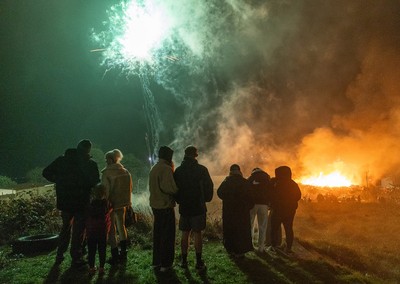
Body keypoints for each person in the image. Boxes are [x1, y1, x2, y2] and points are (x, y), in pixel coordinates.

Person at [42, 139, 100, 267]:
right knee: (78, 231)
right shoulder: (90, 164)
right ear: (88, 150)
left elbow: (46, 172)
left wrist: (58, 180)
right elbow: (96, 182)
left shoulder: (62, 160)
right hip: (81, 202)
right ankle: (76, 257)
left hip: (65, 201)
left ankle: (60, 254)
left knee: (65, 228)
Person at [173, 146, 214, 270]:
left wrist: (179, 200)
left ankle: (184, 261)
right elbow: (209, 186)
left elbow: (175, 189)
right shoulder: (202, 170)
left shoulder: (179, 171)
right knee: (197, 233)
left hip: (184, 207)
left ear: (185, 155)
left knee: (184, 233)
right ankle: (198, 262)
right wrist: (205, 199)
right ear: (195, 156)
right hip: (198, 207)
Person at [148, 146, 179, 272]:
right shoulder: (166, 169)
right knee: (167, 236)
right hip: (165, 206)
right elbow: (171, 188)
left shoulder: (154, 168)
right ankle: (166, 264)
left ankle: (156, 262)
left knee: (158, 235)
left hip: (155, 205)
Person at [101, 149, 132, 264]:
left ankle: (114, 254)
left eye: (106, 159)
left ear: (110, 159)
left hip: (111, 205)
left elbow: (105, 191)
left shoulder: (106, 173)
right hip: (122, 203)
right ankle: (124, 251)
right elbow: (130, 188)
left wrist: (104, 203)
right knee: (121, 226)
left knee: (111, 230)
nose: (105, 161)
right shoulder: (125, 171)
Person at [217, 164, 254, 257]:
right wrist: (248, 207)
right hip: (242, 211)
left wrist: (227, 199)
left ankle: (231, 249)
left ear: (230, 171)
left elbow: (219, 192)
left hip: (229, 211)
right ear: (239, 171)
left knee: (230, 229)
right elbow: (251, 197)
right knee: (242, 230)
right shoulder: (245, 182)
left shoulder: (227, 181)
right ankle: (241, 250)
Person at [269, 166, 301, 253]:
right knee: (288, 228)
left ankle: (273, 246)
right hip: (290, 211)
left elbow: (271, 194)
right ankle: (288, 248)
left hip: (277, 210)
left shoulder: (276, 183)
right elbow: (298, 196)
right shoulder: (293, 184)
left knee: (274, 228)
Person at [86, 183, 112, 276]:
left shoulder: (90, 204)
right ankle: (101, 268)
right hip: (102, 231)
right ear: (104, 193)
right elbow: (110, 209)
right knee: (102, 250)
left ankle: (92, 268)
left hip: (91, 231)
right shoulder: (106, 203)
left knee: (91, 251)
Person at [248, 167, 271, 253]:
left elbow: (247, 190)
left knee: (250, 225)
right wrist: (269, 203)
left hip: (252, 205)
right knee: (262, 226)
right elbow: (270, 191)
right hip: (264, 205)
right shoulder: (267, 178)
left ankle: (250, 246)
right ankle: (261, 248)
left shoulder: (251, 178)